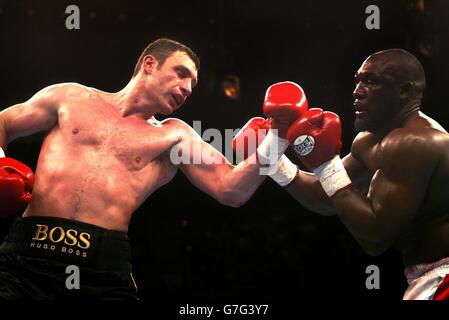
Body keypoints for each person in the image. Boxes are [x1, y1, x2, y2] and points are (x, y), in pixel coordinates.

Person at [0, 38, 307, 299]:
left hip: (101, 271)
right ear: (149, 64)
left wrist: (278, 137)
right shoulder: (69, 97)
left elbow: (231, 190)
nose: (187, 88)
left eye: (193, 84)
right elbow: (4, 123)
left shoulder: (174, 135)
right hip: (23, 257)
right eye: (181, 73)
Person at [267, 49, 449, 300]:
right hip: (425, 277)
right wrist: (272, 162)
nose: (357, 91)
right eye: (358, 81)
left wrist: (324, 165)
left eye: (371, 82)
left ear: (404, 91)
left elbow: (376, 238)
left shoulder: (416, 141)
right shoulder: (369, 141)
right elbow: (325, 196)